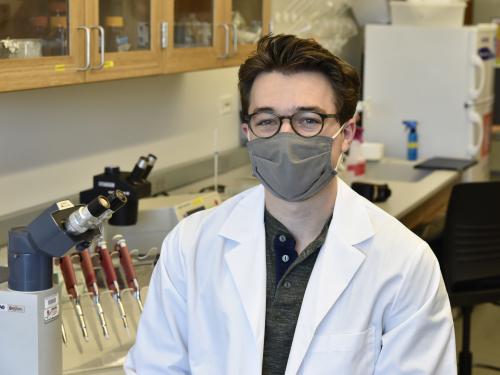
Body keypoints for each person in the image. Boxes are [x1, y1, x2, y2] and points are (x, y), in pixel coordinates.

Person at [124, 34, 456, 374]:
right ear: (249, 133)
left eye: (308, 120)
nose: (286, 138)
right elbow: (155, 367)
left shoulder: (404, 262)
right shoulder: (190, 246)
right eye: (267, 121)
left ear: (346, 134)